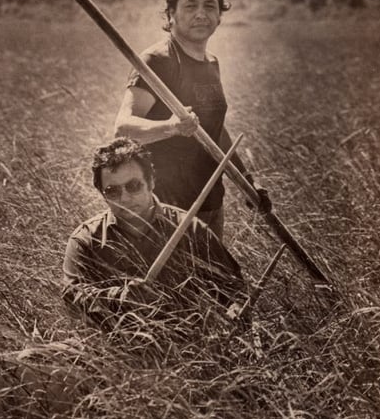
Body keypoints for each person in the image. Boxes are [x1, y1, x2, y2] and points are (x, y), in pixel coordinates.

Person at [114, 0, 271, 241]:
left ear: (220, 15)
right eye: (190, 5)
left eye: (210, 6)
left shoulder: (211, 63)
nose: (201, 14)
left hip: (211, 205)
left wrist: (247, 179)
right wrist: (171, 127)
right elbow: (123, 128)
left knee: (213, 284)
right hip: (167, 211)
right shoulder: (156, 62)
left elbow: (215, 130)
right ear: (171, 13)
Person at [62, 137, 245, 326]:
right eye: (112, 191)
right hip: (113, 345)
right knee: (32, 355)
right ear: (102, 193)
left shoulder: (189, 227)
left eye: (133, 186)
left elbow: (234, 286)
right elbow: (72, 298)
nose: (124, 198)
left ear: (151, 182)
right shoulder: (85, 239)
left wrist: (236, 310)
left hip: (186, 340)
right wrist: (120, 297)